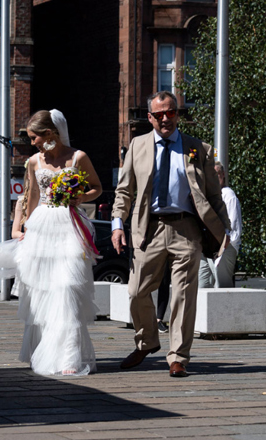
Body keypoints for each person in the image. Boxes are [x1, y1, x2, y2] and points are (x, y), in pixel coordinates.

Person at [111, 91, 231, 377]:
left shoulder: (197, 148)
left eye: (171, 112)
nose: (166, 118)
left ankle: (178, 357)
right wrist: (117, 223)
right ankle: (147, 341)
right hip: (148, 229)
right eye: (159, 114)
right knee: (137, 290)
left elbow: (215, 195)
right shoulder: (137, 145)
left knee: (183, 294)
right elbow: (125, 190)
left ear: (178, 114)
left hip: (186, 228)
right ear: (150, 117)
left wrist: (224, 231)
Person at [16, 109, 103, 376]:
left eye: (35, 137)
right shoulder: (33, 162)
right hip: (42, 228)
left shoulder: (78, 157)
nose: (33, 143)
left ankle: (68, 358)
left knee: (67, 289)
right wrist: (25, 227)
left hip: (69, 225)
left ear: (50, 133)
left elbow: (96, 188)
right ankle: (42, 350)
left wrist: (80, 198)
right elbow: (31, 197)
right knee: (43, 292)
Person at [199, 161, 242, 288]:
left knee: (222, 289)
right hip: (206, 247)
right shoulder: (206, 196)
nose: (213, 178)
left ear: (223, 175)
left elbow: (233, 226)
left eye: (216, 174)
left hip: (224, 247)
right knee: (202, 287)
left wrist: (224, 246)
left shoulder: (228, 195)